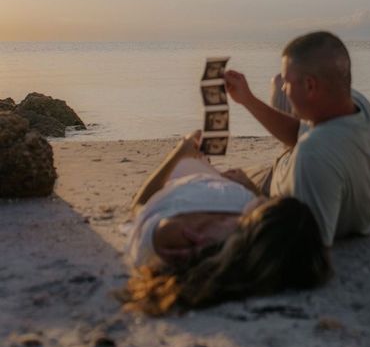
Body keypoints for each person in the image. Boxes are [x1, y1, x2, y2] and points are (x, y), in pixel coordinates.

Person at [121, 130, 332, 316]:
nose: (266, 200)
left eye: (268, 205)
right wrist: (250, 187)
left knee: (195, 153)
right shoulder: (244, 228)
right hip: (216, 181)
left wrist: (179, 152)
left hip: (184, 174)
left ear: (259, 221)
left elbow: (139, 207)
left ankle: (192, 155)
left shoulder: (181, 235)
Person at [224, 31, 370, 248]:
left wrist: (250, 191)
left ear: (311, 86)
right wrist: (248, 100)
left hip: (282, 183)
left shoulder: (314, 153)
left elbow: (307, 243)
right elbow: (298, 132)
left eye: (289, 82)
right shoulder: (358, 104)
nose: (285, 86)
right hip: (315, 168)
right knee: (275, 82)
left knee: (212, 181)